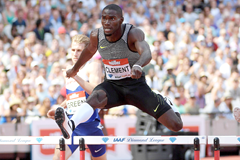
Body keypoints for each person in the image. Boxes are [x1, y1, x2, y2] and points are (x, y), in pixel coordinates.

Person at [56, 4, 183, 140]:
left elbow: (147, 52)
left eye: (112, 18)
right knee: (96, 96)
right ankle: (71, 124)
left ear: (121, 20)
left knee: (176, 125)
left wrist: (138, 65)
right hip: (113, 86)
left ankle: (167, 103)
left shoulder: (133, 33)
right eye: (104, 18)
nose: (107, 22)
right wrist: (74, 70)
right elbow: (88, 52)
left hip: (136, 87)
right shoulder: (96, 35)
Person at [47, 34, 107, 160]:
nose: (75, 54)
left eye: (79, 50)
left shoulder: (93, 66)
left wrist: (75, 75)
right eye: (73, 50)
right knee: (57, 158)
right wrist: (59, 108)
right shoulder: (69, 69)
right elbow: (73, 97)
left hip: (91, 125)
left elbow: (96, 93)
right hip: (72, 126)